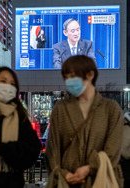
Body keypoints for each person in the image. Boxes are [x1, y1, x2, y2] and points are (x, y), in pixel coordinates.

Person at [46, 55, 124, 188]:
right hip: (67, 182)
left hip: (101, 180)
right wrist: (63, 174)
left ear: (90, 75)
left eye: (72, 76)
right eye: (66, 77)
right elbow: (53, 149)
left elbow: (113, 150)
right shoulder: (61, 108)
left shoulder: (110, 108)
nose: (69, 81)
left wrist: (89, 168)